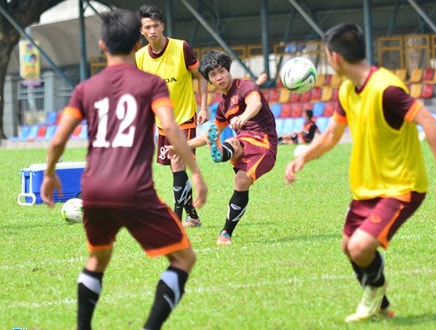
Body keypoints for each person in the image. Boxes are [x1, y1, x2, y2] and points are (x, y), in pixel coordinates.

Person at [40, 9, 207, 329]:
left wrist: (50, 173)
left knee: (97, 259)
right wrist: (197, 174)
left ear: (102, 45)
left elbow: (59, 139)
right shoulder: (151, 84)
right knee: (184, 259)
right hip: (134, 189)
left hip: (96, 189)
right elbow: (171, 128)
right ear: (136, 44)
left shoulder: (85, 89)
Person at [285, 23, 436, 323]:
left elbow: (429, 121)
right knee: (348, 247)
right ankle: (383, 304)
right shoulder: (347, 89)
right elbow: (332, 135)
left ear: (335, 58)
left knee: (361, 247)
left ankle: (374, 291)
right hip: (367, 187)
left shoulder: (386, 89)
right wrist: (303, 159)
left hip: (402, 185)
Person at [185, 50, 277, 245]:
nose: (219, 77)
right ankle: (225, 234)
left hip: (264, 143)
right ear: (209, 80)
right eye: (213, 75)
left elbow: (255, 103)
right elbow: (208, 135)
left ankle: (226, 231)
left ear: (228, 70)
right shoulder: (222, 106)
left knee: (237, 159)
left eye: (221, 72)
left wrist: (243, 117)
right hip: (244, 141)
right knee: (238, 168)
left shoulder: (245, 86)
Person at [136, 4, 209, 228]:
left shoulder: (181, 48)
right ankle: (193, 216)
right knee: (176, 171)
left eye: (155, 26)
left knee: (178, 164)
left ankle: (175, 219)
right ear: (141, 31)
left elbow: (202, 75)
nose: (152, 31)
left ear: (162, 26)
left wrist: (204, 106)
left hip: (185, 117)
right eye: (147, 27)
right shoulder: (139, 57)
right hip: (162, 123)